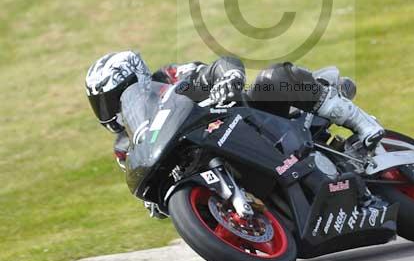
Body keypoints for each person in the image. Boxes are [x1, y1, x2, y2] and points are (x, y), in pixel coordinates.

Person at [85, 51, 384, 212]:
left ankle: (362, 124)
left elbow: (216, 67)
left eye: (113, 97)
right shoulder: (129, 144)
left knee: (274, 77)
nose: (110, 108)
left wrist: (229, 76)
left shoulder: (170, 78)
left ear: (137, 77)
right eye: (101, 103)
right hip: (205, 161)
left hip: (246, 121)